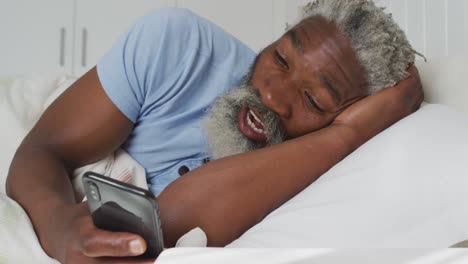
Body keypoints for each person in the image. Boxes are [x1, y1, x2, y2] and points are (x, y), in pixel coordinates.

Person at [6, 0, 423, 263]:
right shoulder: (177, 46)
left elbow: (171, 221)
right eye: (280, 57)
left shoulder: (335, 168)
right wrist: (58, 224)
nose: (273, 96)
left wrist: (345, 137)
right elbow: (41, 151)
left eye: (314, 101)